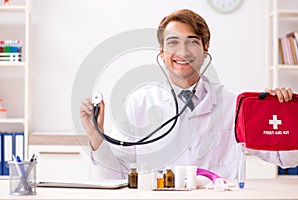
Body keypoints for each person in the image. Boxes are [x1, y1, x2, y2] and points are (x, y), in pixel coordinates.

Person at [80, 9, 297, 179]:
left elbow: (286, 159)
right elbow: (114, 175)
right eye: (173, 42)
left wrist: (288, 115)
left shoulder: (234, 104)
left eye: (192, 42)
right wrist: (96, 136)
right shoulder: (139, 103)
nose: (182, 52)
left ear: (205, 49)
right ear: (162, 52)